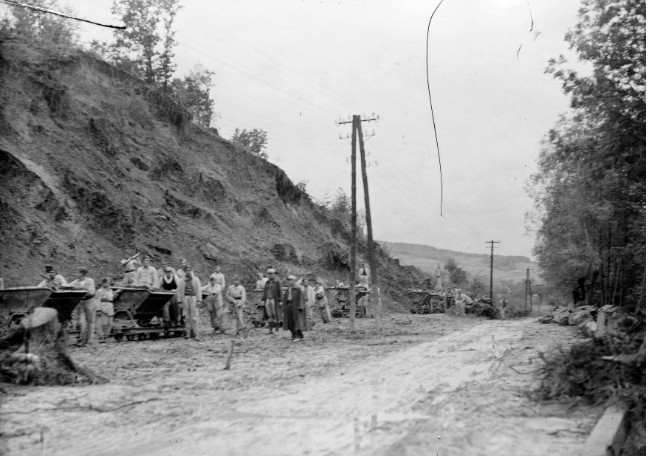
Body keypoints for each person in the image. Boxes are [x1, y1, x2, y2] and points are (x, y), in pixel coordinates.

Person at [69, 267, 97, 347]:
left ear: (82, 273)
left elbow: (92, 293)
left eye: (78, 273)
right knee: (81, 322)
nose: (76, 274)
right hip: (81, 303)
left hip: (90, 302)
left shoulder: (90, 281)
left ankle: (88, 341)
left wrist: (82, 290)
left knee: (90, 323)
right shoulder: (75, 282)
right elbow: (68, 286)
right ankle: (81, 340)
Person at [176, 264, 202, 340]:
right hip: (185, 298)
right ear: (185, 271)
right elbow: (179, 291)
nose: (188, 272)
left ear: (191, 271)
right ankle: (187, 333)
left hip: (193, 298)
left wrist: (199, 300)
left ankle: (196, 333)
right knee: (186, 317)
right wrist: (179, 301)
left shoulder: (196, 279)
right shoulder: (182, 280)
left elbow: (198, 290)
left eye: (189, 270)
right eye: (186, 270)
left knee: (194, 317)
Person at [283, 275, 307, 341]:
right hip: (289, 305)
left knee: (297, 322)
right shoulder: (288, 289)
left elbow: (302, 298)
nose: (289, 281)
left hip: (296, 307)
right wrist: (284, 307)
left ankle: (298, 336)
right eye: (288, 280)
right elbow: (285, 298)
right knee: (290, 321)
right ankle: (294, 335)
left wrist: (300, 307)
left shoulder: (298, 288)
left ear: (294, 281)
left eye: (290, 280)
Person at [262, 268, 283, 334]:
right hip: (268, 299)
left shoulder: (278, 282)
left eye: (271, 274)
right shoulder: (267, 282)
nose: (270, 275)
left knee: (275, 314)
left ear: (274, 274)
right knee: (269, 314)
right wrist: (263, 299)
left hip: (274, 299)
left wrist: (280, 300)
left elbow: (280, 291)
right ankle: (270, 329)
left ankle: (277, 328)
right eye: (269, 274)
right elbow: (265, 291)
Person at [95, 278, 114, 342]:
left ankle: (106, 336)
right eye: (106, 283)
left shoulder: (110, 290)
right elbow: (97, 300)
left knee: (110, 324)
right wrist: (98, 310)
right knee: (104, 323)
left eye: (108, 283)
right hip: (103, 307)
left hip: (110, 307)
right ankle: (102, 336)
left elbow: (111, 298)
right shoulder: (99, 291)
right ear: (103, 283)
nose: (107, 284)